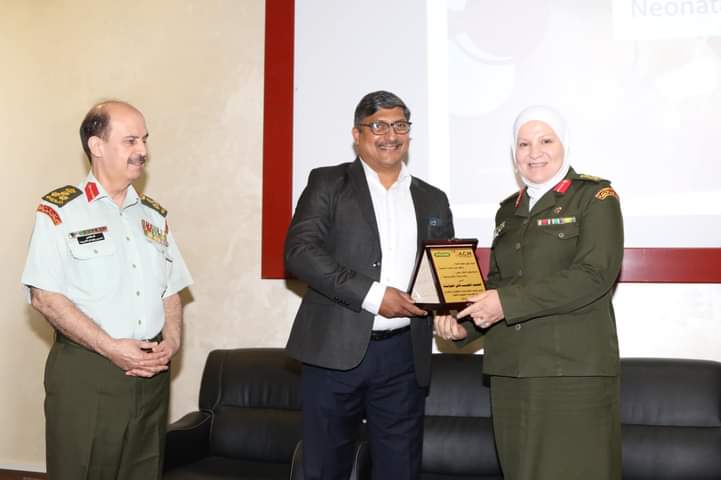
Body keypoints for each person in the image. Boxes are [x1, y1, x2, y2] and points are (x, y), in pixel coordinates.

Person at [435, 105, 623, 480]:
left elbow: (594, 276)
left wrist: (504, 303)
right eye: (523, 144)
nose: (534, 152)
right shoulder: (509, 211)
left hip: (569, 371)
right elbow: (498, 284)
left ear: (564, 144)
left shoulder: (595, 197)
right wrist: (461, 324)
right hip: (511, 371)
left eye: (546, 141)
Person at [285, 90, 454, 479]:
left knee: (400, 468)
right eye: (378, 126)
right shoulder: (328, 182)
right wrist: (374, 296)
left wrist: (450, 309)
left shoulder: (432, 198)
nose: (390, 135)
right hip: (334, 351)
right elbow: (300, 252)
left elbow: (443, 268)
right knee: (325, 468)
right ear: (357, 134)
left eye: (399, 125)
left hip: (404, 356)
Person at [21, 100, 193, 479]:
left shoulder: (154, 215)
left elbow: (171, 290)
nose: (143, 150)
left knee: (144, 471)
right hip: (89, 370)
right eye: (131, 141)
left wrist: (172, 342)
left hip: (151, 374)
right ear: (97, 146)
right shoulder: (60, 211)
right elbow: (44, 297)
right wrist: (111, 348)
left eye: (144, 140)